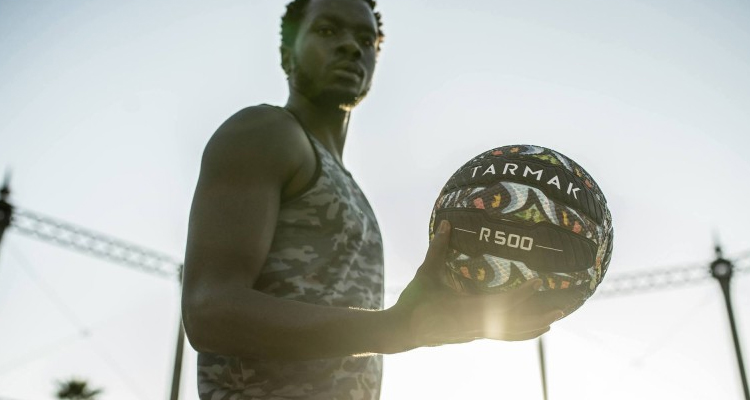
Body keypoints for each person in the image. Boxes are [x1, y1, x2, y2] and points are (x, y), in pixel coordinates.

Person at [181, 0, 564, 398]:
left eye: (366, 39)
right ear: (286, 54)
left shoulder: (346, 184)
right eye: (328, 31)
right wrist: (398, 328)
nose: (350, 46)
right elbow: (210, 312)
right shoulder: (265, 131)